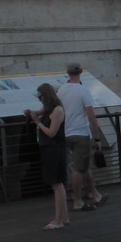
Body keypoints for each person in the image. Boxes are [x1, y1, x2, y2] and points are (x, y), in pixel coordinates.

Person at [57, 63, 109, 211]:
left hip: (66, 133)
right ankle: (77, 201)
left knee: (83, 165)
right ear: (81, 72)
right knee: (78, 168)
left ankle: (95, 193)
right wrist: (97, 137)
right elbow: (91, 116)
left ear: (68, 73)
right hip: (80, 133)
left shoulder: (61, 90)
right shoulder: (83, 90)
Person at [24, 83, 69, 230]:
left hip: (55, 149)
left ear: (45, 96)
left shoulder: (57, 110)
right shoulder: (48, 108)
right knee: (56, 183)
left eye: (40, 97)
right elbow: (37, 112)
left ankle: (58, 220)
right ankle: (64, 217)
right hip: (49, 149)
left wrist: (38, 123)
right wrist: (31, 113)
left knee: (57, 184)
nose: (39, 100)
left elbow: (51, 132)